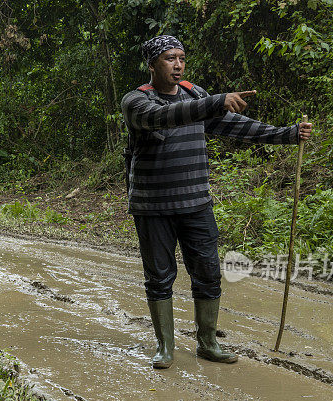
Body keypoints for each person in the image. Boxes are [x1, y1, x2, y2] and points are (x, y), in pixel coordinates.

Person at [121, 35, 312, 369]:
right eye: (169, 58)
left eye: (181, 57)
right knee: (159, 276)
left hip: (196, 203)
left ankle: (207, 343)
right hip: (153, 207)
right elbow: (166, 118)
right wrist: (216, 101)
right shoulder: (137, 102)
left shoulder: (196, 95)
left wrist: (287, 134)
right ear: (152, 65)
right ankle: (165, 347)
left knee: (208, 273)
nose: (177, 64)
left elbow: (235, 126)